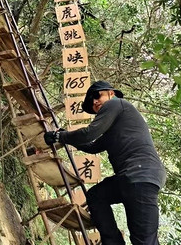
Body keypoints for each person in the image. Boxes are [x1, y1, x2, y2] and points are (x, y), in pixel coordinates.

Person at [44, 81, 166, 245]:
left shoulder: (117, 103)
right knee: (96, 196)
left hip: (141, 175)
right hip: (129, 178)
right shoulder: (115, 127)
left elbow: (89, 134)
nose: (94, 102)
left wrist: (60, 137)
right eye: (91, 104)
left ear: (111, 93)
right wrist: (65, 136)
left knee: (144, 241)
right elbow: (93, 146)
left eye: (97, 95)